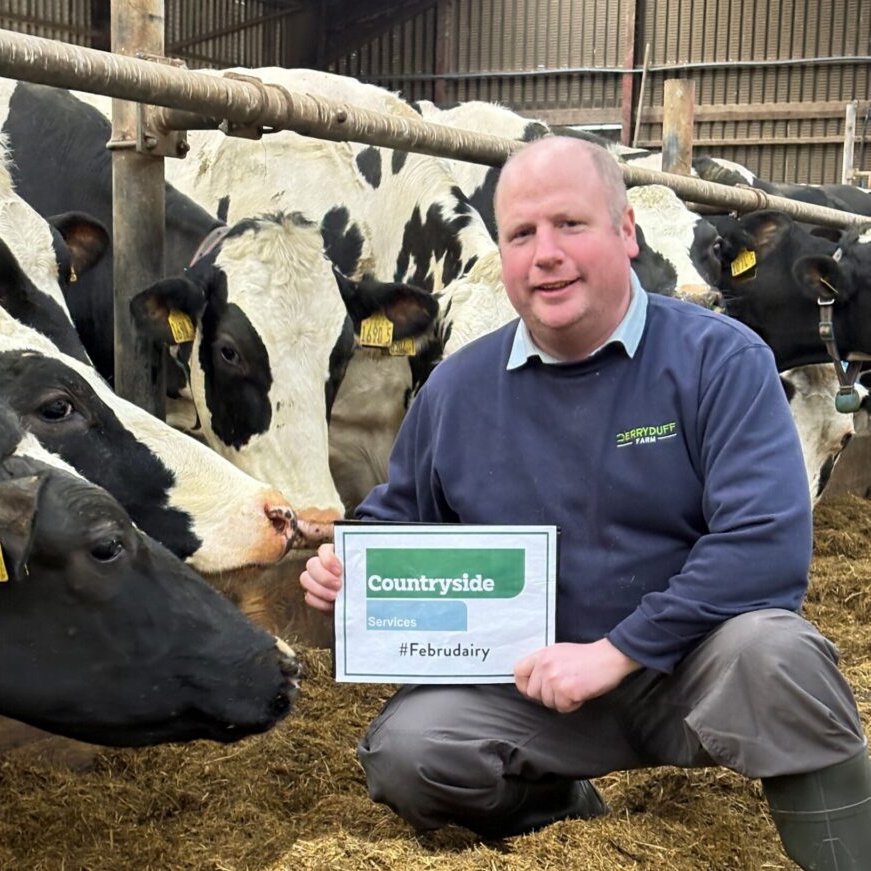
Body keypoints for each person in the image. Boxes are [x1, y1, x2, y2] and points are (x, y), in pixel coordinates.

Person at [300, 136, 871, 870]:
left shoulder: (720, 359)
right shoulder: (456, 388)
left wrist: (616, 652)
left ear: (625, 230)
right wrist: (349, 569)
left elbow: (765, 546)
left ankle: (845, 854)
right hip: (531, 682)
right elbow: (400, 520)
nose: (545, 254)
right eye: (521, 234)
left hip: (691, 668)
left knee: (781, 655)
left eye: (570, 224)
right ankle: (562, 811)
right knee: (410, 750)